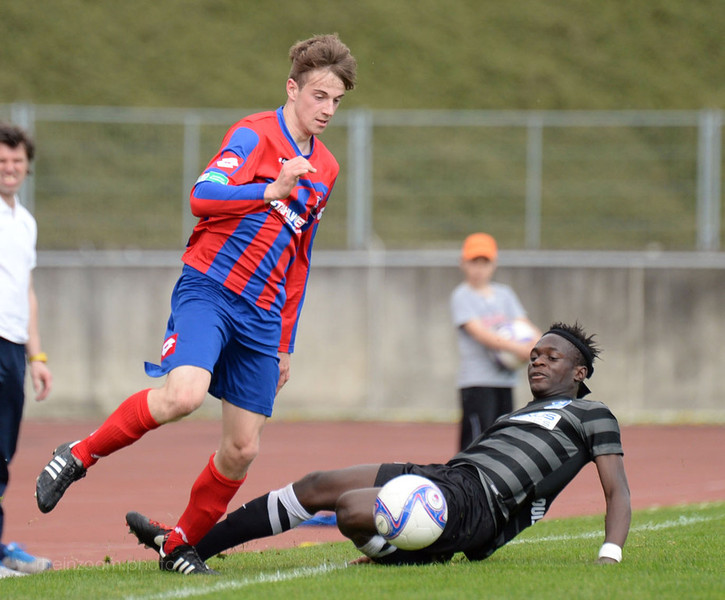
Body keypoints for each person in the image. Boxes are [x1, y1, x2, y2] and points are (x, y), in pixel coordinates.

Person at [35, 34, 357, 575]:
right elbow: (201, 197)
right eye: (319, 95)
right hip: (210, 289)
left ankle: (177, 543)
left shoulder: (326, 168)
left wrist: (285, 344)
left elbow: (301, 260)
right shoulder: (253, 134)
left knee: (243, 449)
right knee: (183, 395)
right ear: (292, 88)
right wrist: (270, 190)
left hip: (262, 315)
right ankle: (78, 454)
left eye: (337, 101)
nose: (327, 109)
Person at [127, 322, 631, 569]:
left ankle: (404, 554)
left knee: (352, 509)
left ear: (579, 372)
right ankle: (187, 550)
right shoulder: (516, 414)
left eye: (552, 358)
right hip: (449, 478)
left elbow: (617, 490)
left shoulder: (592, 414)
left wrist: (610, 555)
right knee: (316, 484)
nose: (537, 361)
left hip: (479, 505)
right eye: (535, 354)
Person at [0, 123, 53, 578]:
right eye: (1, 161)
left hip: (15, 348)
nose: (10, 168)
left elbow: (27, 291)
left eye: (17, 160)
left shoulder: (25, 222)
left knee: (3, 452)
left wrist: (37, 357)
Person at [451, 232, 540, 451]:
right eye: (474, 262)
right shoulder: (462, 296)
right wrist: (518, 348)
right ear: (463, 263)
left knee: (502, 443)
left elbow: (525, 325)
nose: (479, 269)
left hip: (505, 381)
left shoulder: (504, 294)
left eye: (485, 262)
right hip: (477, 382)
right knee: (476, 443)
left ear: (494, 264)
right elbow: (481, 334)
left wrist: (539, 344)